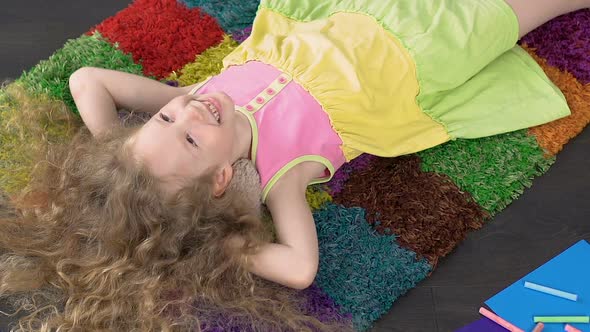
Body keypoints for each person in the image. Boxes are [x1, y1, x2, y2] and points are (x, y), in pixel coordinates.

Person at [1, 0, 588, 330]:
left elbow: (89, 80)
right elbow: (300, 267)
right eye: (188, 141)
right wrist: (207, 243)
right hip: (423, 51)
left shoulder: (199, 102)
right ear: (222, 180)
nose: (183, 112)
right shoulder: (283, 172)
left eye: (161, 121)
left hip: (353, 15)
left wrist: (119, 155)